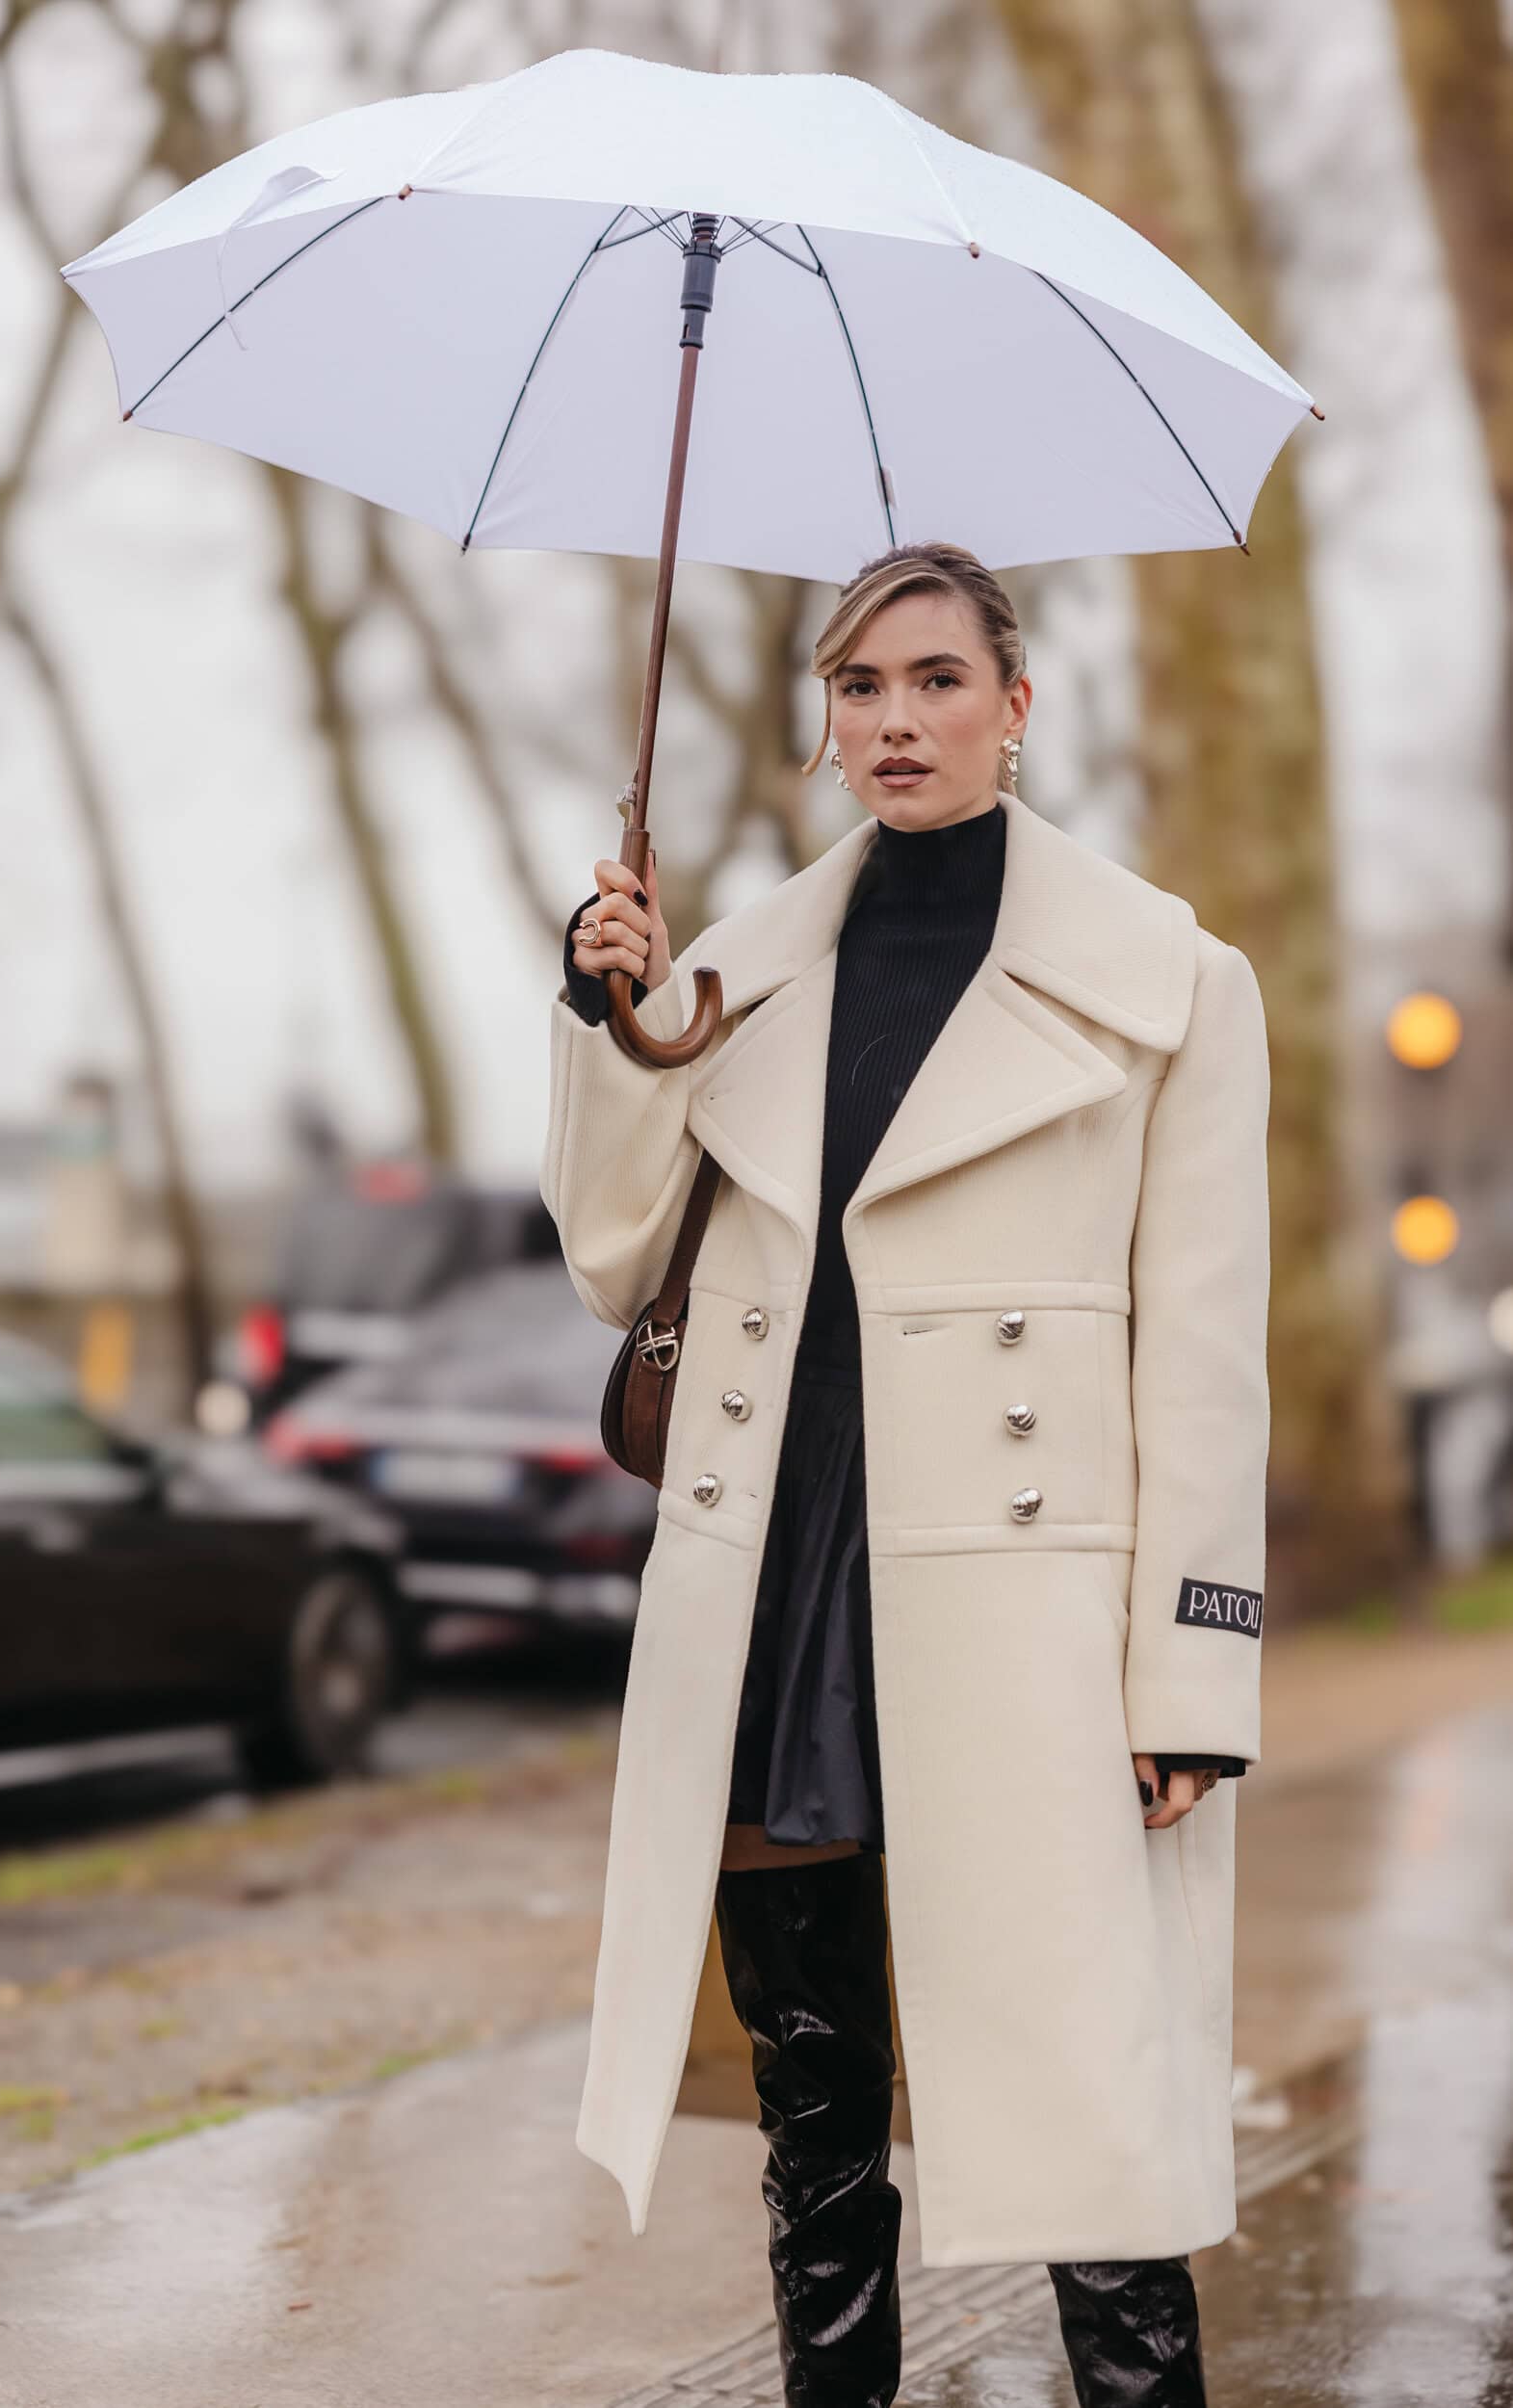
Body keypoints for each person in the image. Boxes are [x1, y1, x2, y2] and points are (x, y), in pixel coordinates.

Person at [541, 541, 1269, 2407]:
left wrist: (1190, 1666)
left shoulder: (1173, 981)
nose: (895, 719)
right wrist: (610, 1027)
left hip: (1020, 1604)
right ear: (823, 720)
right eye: (859, 685)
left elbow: (1202, 1355)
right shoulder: (733, 976)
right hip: (781, 1576)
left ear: (1016, 708)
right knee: (816, 2097)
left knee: (1084, 2093)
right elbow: (619, 1260)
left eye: (936, 679)